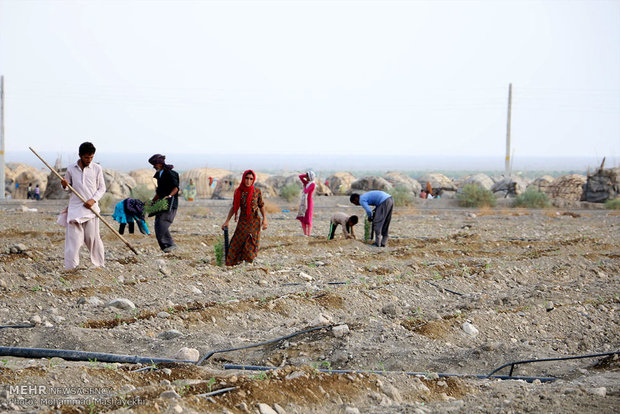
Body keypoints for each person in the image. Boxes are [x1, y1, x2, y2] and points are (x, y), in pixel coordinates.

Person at [57, 142, 106, 269]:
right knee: (73, 241)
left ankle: (99, 265)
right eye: (86, 157)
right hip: (75, 209)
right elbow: (68, 189)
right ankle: (71, 268)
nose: (89, 160)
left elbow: (102, 188)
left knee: (93, 239)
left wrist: (93, 200)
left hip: (91, 210)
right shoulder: (71, 168)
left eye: (91, 157)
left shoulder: (97, 168)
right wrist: (64, 185)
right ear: (80, 156)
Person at [222, 170, 268, 266]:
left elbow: (261, 205)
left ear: (253, 180)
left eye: (251, 179)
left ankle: (248, 264)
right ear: (243, 179)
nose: (248, 181)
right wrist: (227, 221)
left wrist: (265, 219)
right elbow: (234, 207)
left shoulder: (257, 191)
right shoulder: (239, 192)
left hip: (254, 221)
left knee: (251, 242)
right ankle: (232, 263)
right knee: (236, 242)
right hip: (243, 222)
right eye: (246, 178)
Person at [149, 154, 179, 252]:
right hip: (161, 203)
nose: (154, 166)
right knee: (158, 224)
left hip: (170, 203)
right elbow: (159, 192)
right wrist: (151, 202)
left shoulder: (170, 174)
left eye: (155, 164)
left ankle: (170, 245)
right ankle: (166, 247)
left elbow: (176, 188)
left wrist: (169, 196)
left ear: (160, 164)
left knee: (163, 223)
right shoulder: (158, 175)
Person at [296, 170, 316, 236]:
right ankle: (305, 234)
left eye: (307, 176)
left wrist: (308, 177)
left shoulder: (312, 184)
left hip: (309, 203)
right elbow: (300, 176)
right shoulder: (307, 183)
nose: (306, 177)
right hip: (304, 203)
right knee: (303, 218)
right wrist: (306, 175)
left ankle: (309, 234)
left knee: (308, 218)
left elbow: (306, 191)